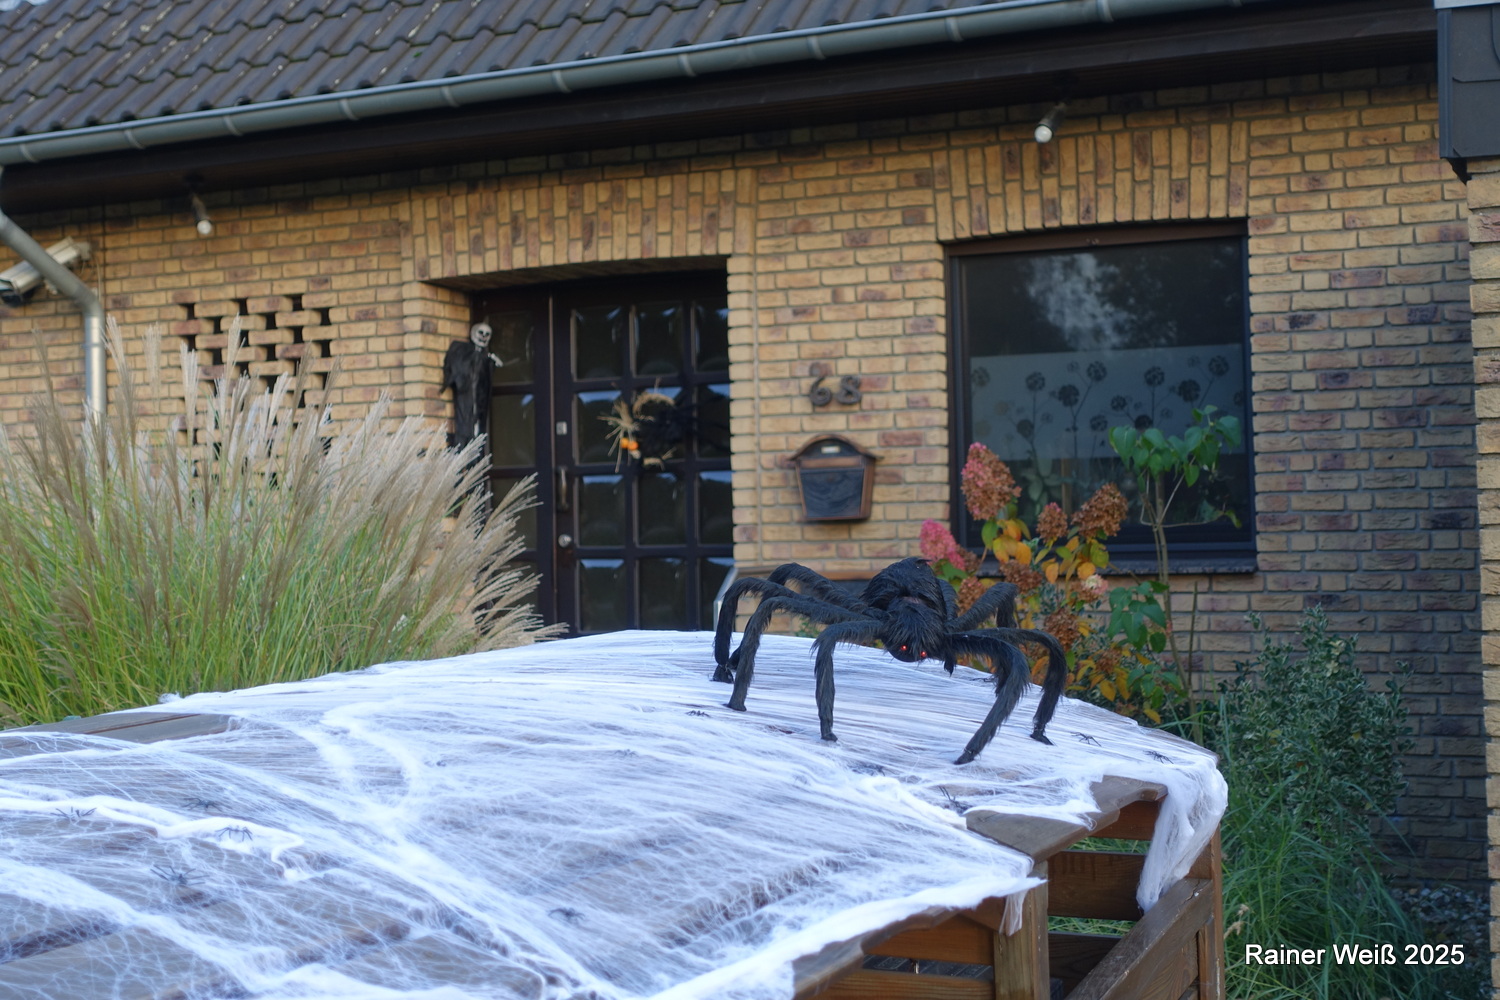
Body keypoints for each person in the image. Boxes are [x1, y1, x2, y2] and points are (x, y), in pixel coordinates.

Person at [443, 322, 502, 449]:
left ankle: (473, 448)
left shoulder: (486, 357)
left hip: (478, 398)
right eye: (481, 333)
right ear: (473, 333)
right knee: (464, 422)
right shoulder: (462, 350)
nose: (484, 337)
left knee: (477, 426)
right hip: (464, 394)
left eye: (487, 334)